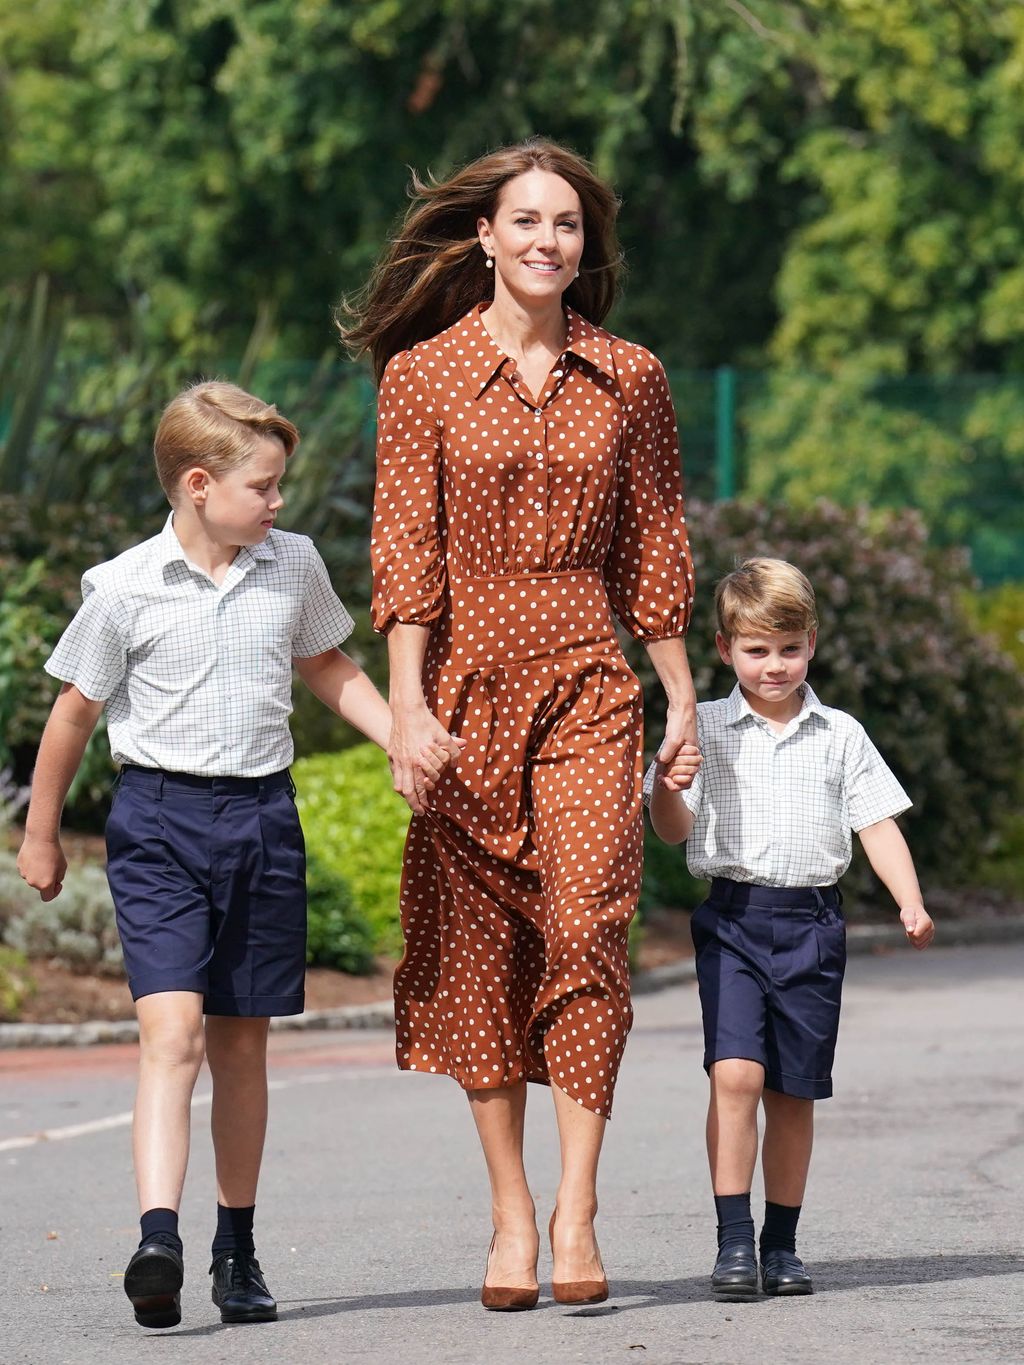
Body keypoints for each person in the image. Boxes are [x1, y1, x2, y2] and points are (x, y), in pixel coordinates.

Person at [342, 137, 697, 1309]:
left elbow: (652, 542)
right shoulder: (424, 378)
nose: (549, 242)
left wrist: (681, 690)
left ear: (584, 247)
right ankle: (507, 1218)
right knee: (477, 949)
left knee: (591, 918)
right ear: (484, 237)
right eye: (528, 221)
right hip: (460, 692)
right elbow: (404, 551)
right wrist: (403, 711)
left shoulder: (630, 376)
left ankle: (577, 1207)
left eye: (568, 226)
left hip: (592, 678)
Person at [15, 382, 448, 1330]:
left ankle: (237, 1246)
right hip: (159, 823)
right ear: (200, 486)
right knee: (171, 1034)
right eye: (265, 485)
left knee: (242, 1044)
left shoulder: (289, 564)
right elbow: (75, 713)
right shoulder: (123, 586)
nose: (280, 501)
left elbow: (328, 666)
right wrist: (42, 829)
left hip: (261, 821)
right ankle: (158, 1236)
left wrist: (398, 738)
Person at [646, 557, 935, 1299]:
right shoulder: (702, 727)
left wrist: (909, 899)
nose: (774, 665)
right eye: (756, 650)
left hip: (811, 921)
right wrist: (669, 785)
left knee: (793, 1092)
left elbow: (876, 823)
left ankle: (781, 1243)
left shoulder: (840, 734)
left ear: (811, 642)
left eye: (788, 648)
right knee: (734, 1073)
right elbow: (672, 829)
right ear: (723, 649)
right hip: (734, 917)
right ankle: (733, 1240)